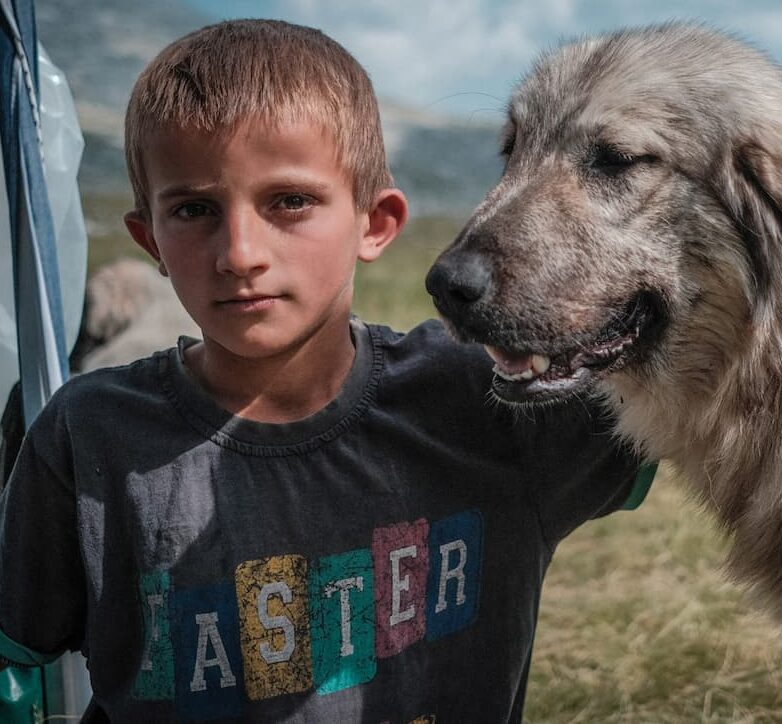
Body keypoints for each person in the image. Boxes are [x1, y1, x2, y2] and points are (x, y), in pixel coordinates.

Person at [0, 19, 650, 722]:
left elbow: (716, 398)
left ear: (375, 222)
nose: (240, 252)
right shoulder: (90, 435)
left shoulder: (487, 404)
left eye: (289, 202)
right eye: (193, 210)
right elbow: (19, 662)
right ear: (147, 238)